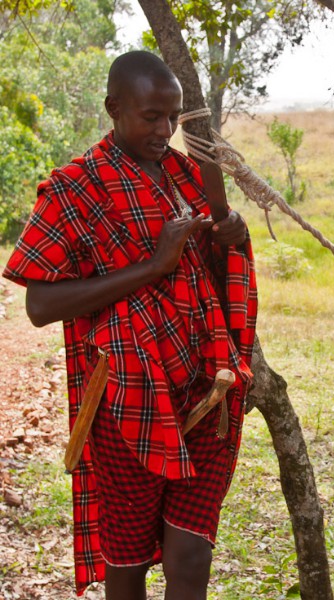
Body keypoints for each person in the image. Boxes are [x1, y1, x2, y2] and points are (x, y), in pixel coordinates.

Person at [3, 51, 258, 600]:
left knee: (191, 557)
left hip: (205, 391)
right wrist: (151, 267)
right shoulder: (74, 191)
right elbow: (40, 305)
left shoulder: (187, 176)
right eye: (150, 117)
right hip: (126, 401)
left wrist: (230, 238)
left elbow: (212, 275)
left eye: (173, 117)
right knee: (129, 563)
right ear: (113, 109)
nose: (165, 131)